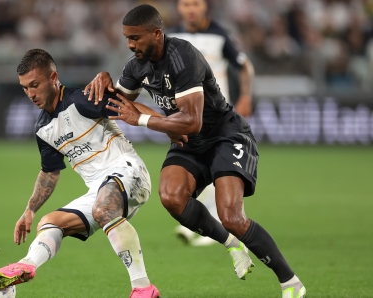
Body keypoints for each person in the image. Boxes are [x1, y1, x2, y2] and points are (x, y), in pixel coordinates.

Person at [84, 4, 306, 298]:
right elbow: (118, 103)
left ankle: (290, 282)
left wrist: (142, 119)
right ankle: (231, 245)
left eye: (136, 38)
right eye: (127, 38)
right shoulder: (136, 65)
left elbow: (192, 120)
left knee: (232, 216)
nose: (130, 44)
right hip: (189, 143)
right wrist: (104, 79)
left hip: (225, 136)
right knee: (172, 197)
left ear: (157, 34)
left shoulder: (183, 57)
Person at [0, 49, 160, 298]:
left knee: (102, 208)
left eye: (35, 85)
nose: (31, 94)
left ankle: (143, 287)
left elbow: (131, 107)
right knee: (50, 223)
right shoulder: (43, 127)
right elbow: (49, 172)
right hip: (99, 190)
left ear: (53, 78)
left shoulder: (82, 100)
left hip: (129, 171)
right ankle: (27, 264)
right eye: (24, 88)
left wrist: (169, 125)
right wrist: (30, 210)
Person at [165, 0, 255, 247]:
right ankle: (209, 225)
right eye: (185, 4)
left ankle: (216, 225)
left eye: (195, 3)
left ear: (206, 7)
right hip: (188, 115)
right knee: (199, 167)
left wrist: (246, 95)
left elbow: (244, 66)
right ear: (179, 9)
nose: (190, 9)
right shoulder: (172, 37)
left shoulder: (221, 35)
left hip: (217, 116)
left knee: (220, 167)